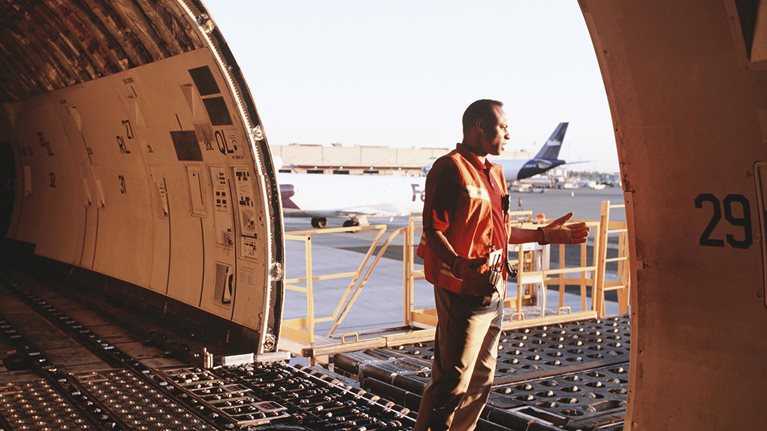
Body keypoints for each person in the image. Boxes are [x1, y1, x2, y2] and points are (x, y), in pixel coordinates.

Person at [414, 99, 589, 431]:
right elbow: (433, 230)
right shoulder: (449, 168)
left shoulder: (494, 173)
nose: (509, 134)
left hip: (493, 289)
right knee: (452, 381)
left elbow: (500, 231)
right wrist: (459, 265)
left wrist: (545, 235)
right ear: (480, 126)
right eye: (503, 126)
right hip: (462, 290)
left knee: (481, 380)